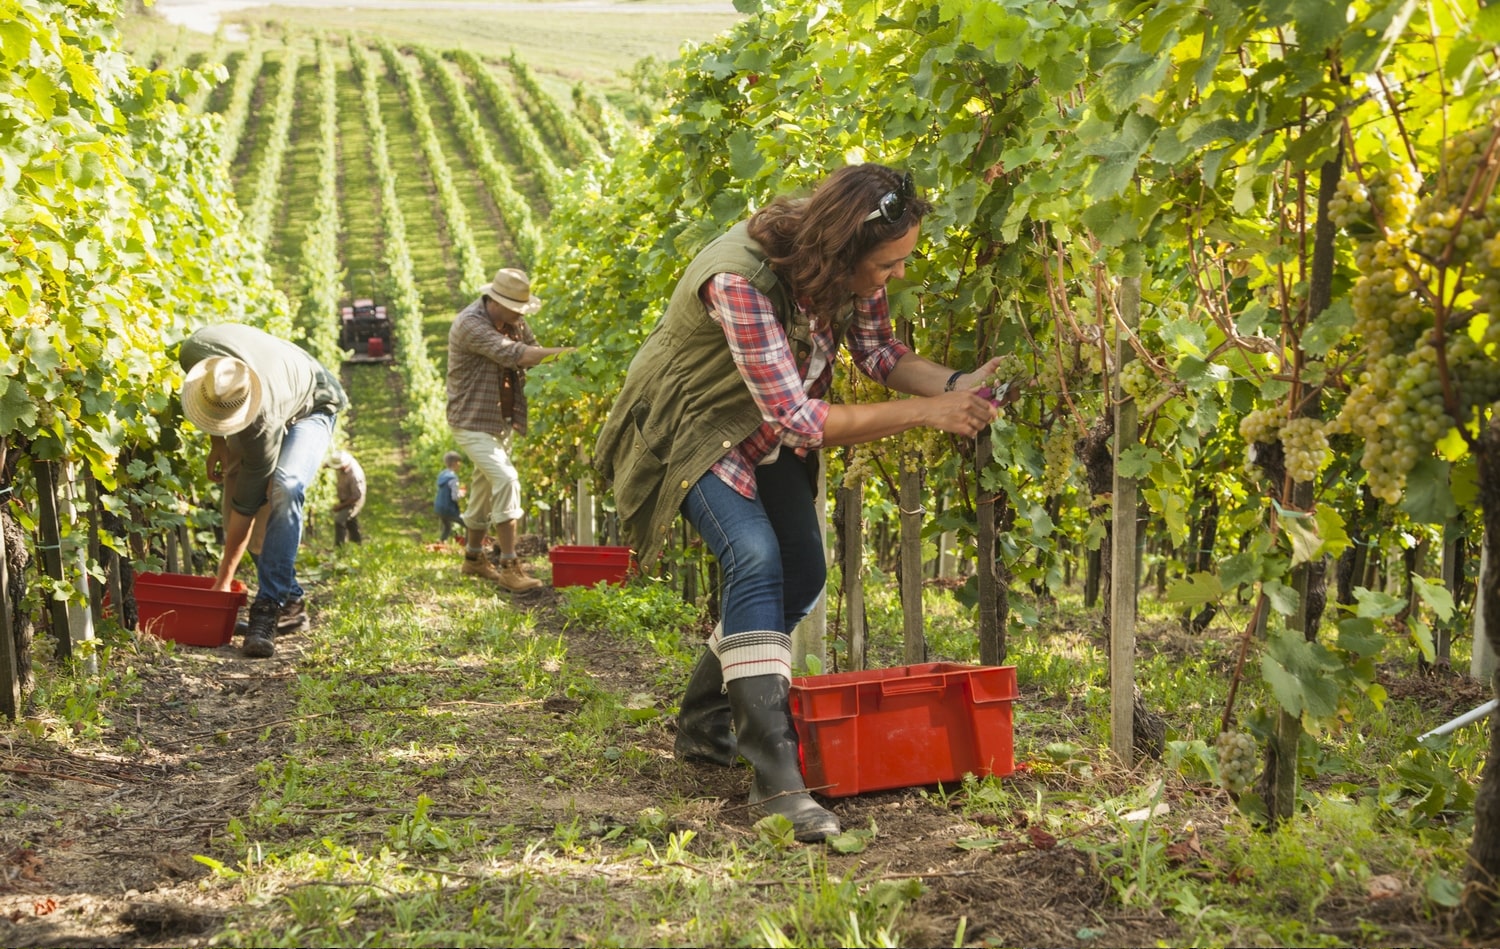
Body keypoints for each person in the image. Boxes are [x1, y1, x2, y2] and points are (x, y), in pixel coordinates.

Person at [593, 164, 1006, 842]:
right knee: (754, 558)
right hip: (696, 424)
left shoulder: (848, 267)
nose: (896, 275)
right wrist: (928, 411)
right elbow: (797, 420)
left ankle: (703, 725)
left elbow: (877, 352)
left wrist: (963, 383)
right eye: (888, 264)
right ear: (844, 250)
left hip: (765, 424)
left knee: (804, 575)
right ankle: (778, 781)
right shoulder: (739, 278)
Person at [179, 323, 347, 658]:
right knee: (237, 481)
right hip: (275, 377)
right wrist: (217, 441)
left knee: (283, 487)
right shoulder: (194, 352)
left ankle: (269, 606)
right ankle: (293, 600)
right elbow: (208, 392)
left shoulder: (263, 420)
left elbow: (247, 506)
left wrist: (223, 581)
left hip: (314, 399)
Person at [446, 267, 572, 591]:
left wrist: (562, 368)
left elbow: (532, 348)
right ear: (495, 301)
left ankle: (473, 558)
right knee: (506, 479)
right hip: (471, 420)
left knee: (484, 488)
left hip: (500, 420)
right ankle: (509, 565)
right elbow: (518, 355)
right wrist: (567, 357)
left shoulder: (513, 320)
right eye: (515, 309)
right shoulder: (470, 324)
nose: (520, 316)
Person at [326, 450, 366, 546]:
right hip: (346, 497)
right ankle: (357, 545)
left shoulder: (354, 475)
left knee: (340, 521)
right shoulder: (344, 466)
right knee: (351, 522)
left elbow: (356, 496)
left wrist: (340, 506)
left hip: (354, 501)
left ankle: (339, 548)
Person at [434, 451, 466, 541]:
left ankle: (441, 543)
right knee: (469, 525)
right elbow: (454, 497)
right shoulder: (453, 478)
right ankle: (469, 546)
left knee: (447, 528)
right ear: (455, 463)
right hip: (448, 509)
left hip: (439, 508)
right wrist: (461, 494)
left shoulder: (442, 475)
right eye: (459, 462)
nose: (460, 465)